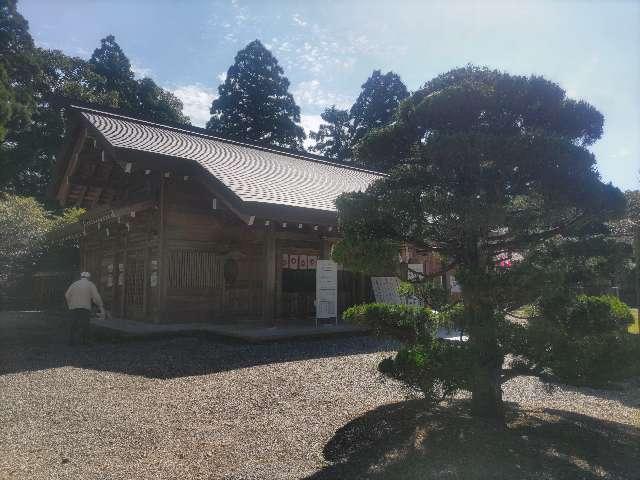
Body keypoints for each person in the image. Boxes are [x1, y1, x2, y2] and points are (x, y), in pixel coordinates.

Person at [64, 271, 105, 345]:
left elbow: (67, 295)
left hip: (74, 307)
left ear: (81, 277)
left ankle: (71, 340)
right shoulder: (90, 284)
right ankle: (84, 341)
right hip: (85, 307)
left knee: (73, 323)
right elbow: (96, 297)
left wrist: (70, 304)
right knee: (85, 324)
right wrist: (100, 306)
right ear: (88, 277)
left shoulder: (74, 284)